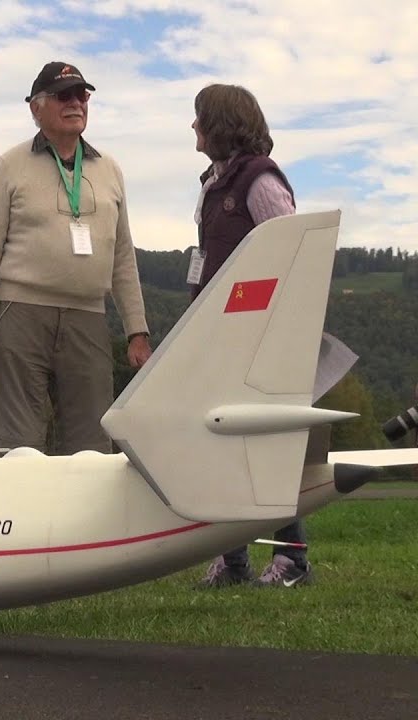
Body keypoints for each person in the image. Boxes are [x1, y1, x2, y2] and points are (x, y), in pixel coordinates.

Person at [0, 61, 152, 456]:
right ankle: (15, 514)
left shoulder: (109, 169)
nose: (76, 103)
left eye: (82, 95)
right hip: (23, 311)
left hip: (88, 316)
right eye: (64, 95)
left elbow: (122, 255)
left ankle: (84, 519)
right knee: (17, 438)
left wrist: (137, 330)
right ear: (36, 107)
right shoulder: (9, 166)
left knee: (92, 440)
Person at [188, 83, 311, 589]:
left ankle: (292, 561)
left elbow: (293, 254)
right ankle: (231, 559)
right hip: (221, 336)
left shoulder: (259, 181)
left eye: (199, 118)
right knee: (224, 446)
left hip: (260, 339)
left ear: (219, 124)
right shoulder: (213, 183)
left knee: (265, 448)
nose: (192, 128)